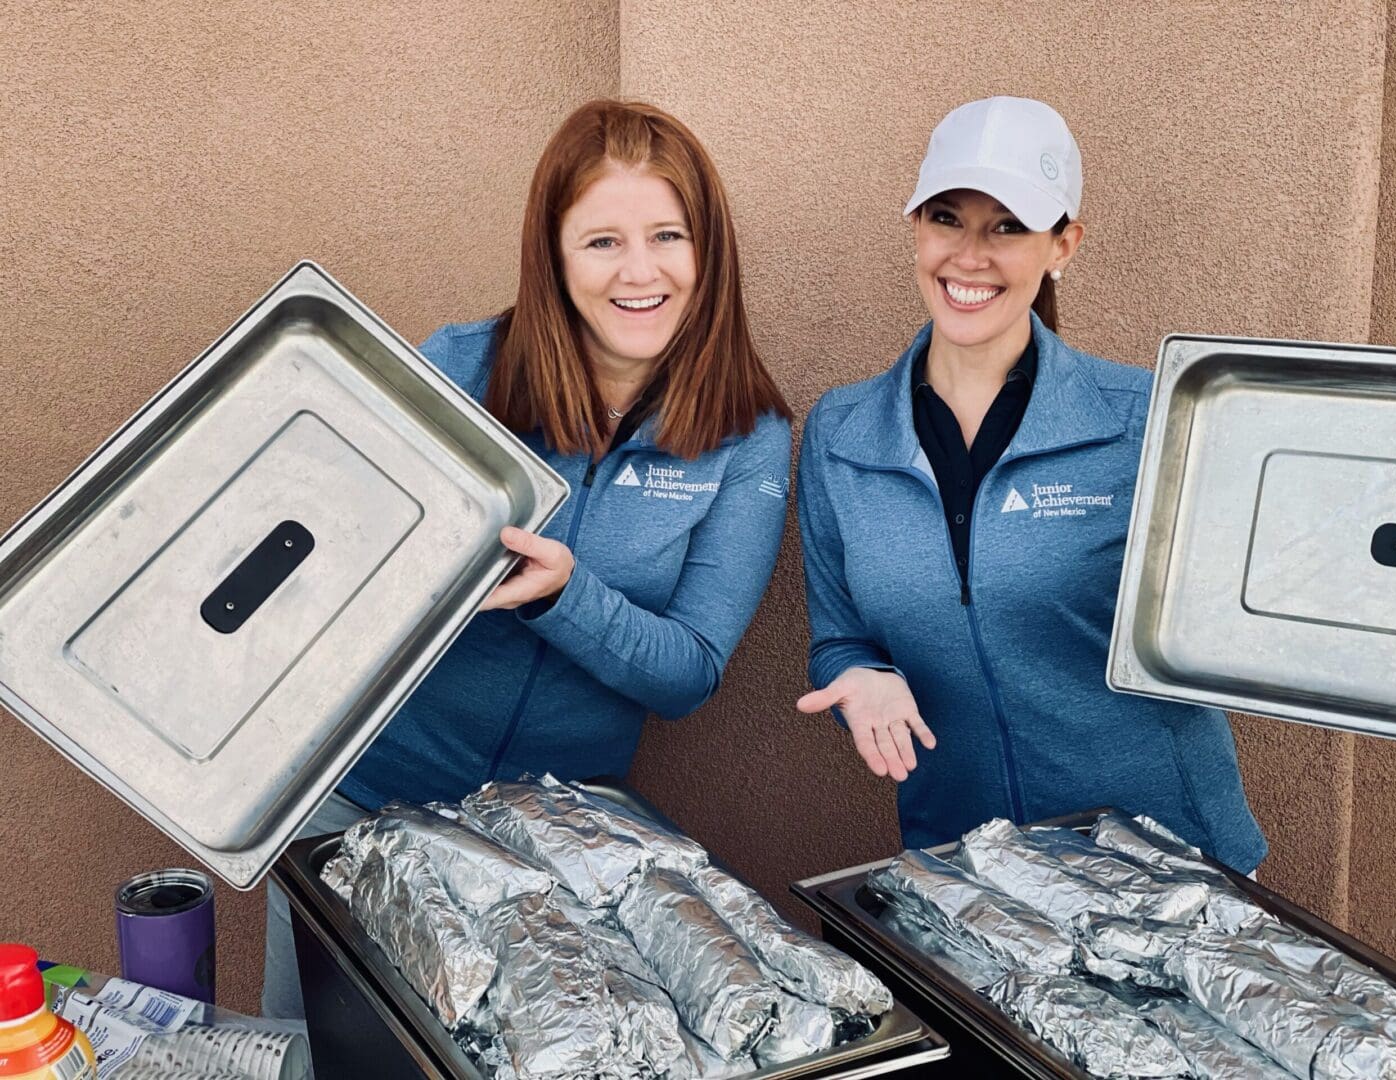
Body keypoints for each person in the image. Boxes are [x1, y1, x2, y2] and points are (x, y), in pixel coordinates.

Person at [263, 99, 792, 1018]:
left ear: (709, 253)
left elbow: (689, 673)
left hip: (556, 850)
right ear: (551, 254)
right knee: (318, 1052)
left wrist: (565, 597)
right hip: (360, 802)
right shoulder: (459, 371)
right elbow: (333, 579)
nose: (641, 272)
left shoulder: (749, 433)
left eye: (669, 235)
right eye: (601, 242)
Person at [795, 97, 1265, 872]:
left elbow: (1238, 617)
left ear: (1063, 246)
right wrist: (861, 678)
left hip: (1168, 858)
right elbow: (841, 635)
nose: (970, 255)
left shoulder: (1144, 419)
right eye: (947, 217)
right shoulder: (841, 435)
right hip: (970, 863)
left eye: (1008, 226)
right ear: (915, 228)